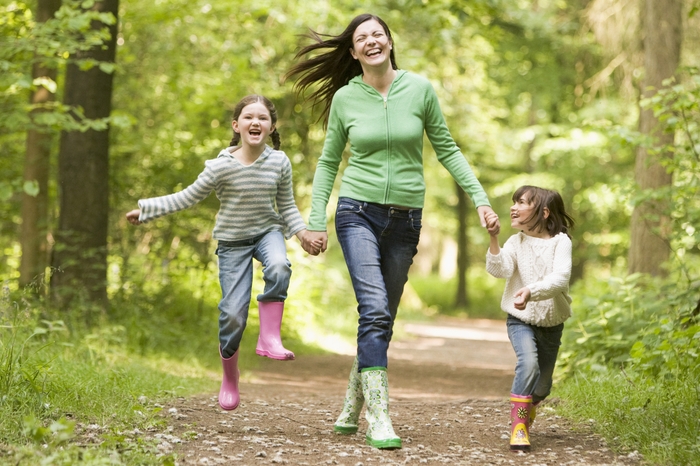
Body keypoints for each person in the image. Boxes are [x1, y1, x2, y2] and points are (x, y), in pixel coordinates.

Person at [286, 13, 499, 450]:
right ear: (353, 52)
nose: (371, 41)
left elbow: (447, 148)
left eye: (377, 34)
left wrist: (480, 198)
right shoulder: (347, 98)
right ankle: (379, 417)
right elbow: (329, 161)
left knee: (382, 318)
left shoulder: (419, 89)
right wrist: (314, 220)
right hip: (356, 212)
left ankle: (353, 402)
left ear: (389, 42)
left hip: (406, 219)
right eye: (361, 38)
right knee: (375, 309)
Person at [126, 94, 321, 411]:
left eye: (262, 118)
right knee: (232, 315)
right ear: (236, 125)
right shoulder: (220, 167)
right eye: (248, 117)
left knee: (279, 266)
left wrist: (302, 235)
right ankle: (230, 376)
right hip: (232, 242)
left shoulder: (279, 162)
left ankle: (269, 338)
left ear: (271, 127)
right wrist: (146, 210)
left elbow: (286, 206)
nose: (255, 122)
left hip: (267, 233)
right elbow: (187, 197)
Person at [484, 185, 574, 452]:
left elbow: (560, 279)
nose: (514, 207)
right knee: (529, 364)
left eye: (522, 202)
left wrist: (531, 291)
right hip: (519, 318)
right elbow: (500, 270)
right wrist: (494, 239)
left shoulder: (561, 242)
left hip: (552, 323)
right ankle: (519, 427)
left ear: (544, 212)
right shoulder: (516, 242)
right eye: (514, 202)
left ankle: (529, 405)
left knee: (543, 386)